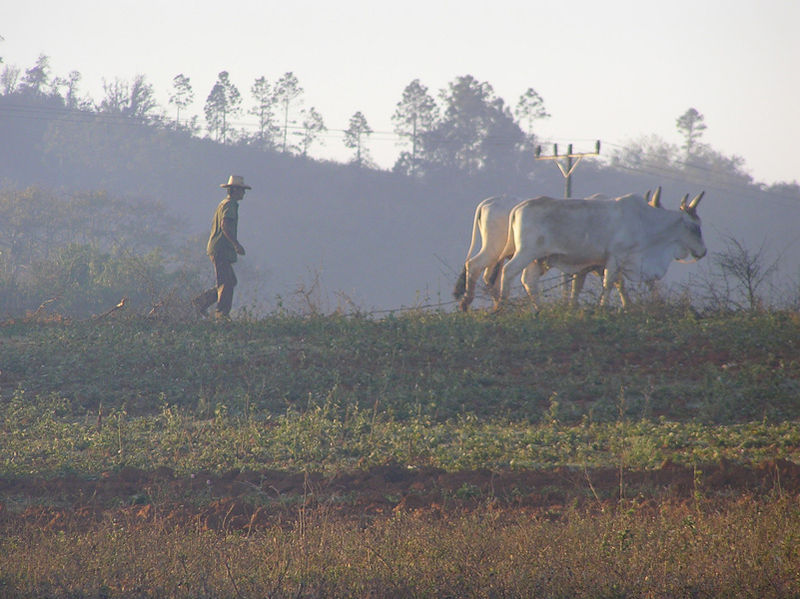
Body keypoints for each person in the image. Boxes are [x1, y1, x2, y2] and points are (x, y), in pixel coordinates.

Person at [193, 175, 250, 319]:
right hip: (221, 249)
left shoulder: (225, 203)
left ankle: (201, 302)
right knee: (226, 282)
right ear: (235, 190)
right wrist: (236, 244)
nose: (244, 193)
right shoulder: (230, 205)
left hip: (219, 248)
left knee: (230, 281)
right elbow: (225, 225)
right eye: (242, 190)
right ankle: (221, 315)